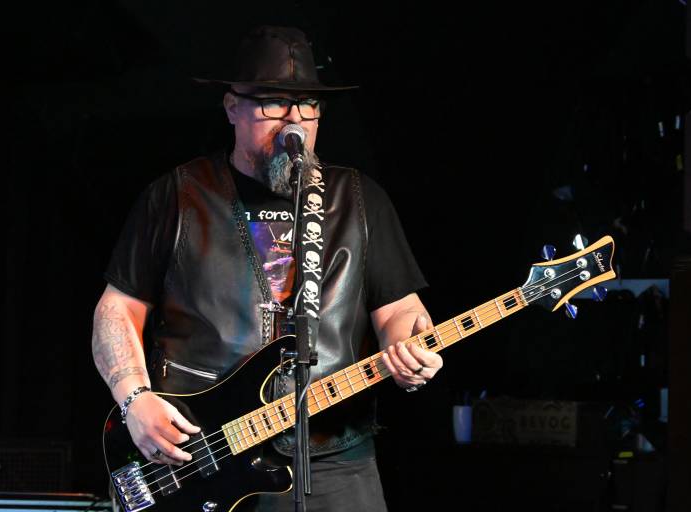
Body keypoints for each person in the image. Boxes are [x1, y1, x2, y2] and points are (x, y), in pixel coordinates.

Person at [91, 25, 443, 512]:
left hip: (336, 458)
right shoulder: (177, 196)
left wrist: (410, 349)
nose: (295, 120)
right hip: (203, 454)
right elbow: (117, 310)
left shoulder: (359, 200)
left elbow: (400, 309)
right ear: (232, 107)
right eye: (274, 103)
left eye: (308, 105)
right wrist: (134, 400)